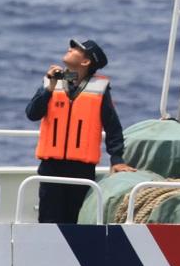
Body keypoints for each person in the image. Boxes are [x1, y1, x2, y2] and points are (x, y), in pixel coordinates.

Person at [25, 37, 134, 223]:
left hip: (81, 170)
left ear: (86, 62)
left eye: (76, 49)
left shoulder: (99, 90)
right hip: (51, 167)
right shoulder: (51, 82)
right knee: (49, 220)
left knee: (76, 221)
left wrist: (117, 159)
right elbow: (32, 114)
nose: (70, 49)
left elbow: (113, 126)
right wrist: (49, 89)